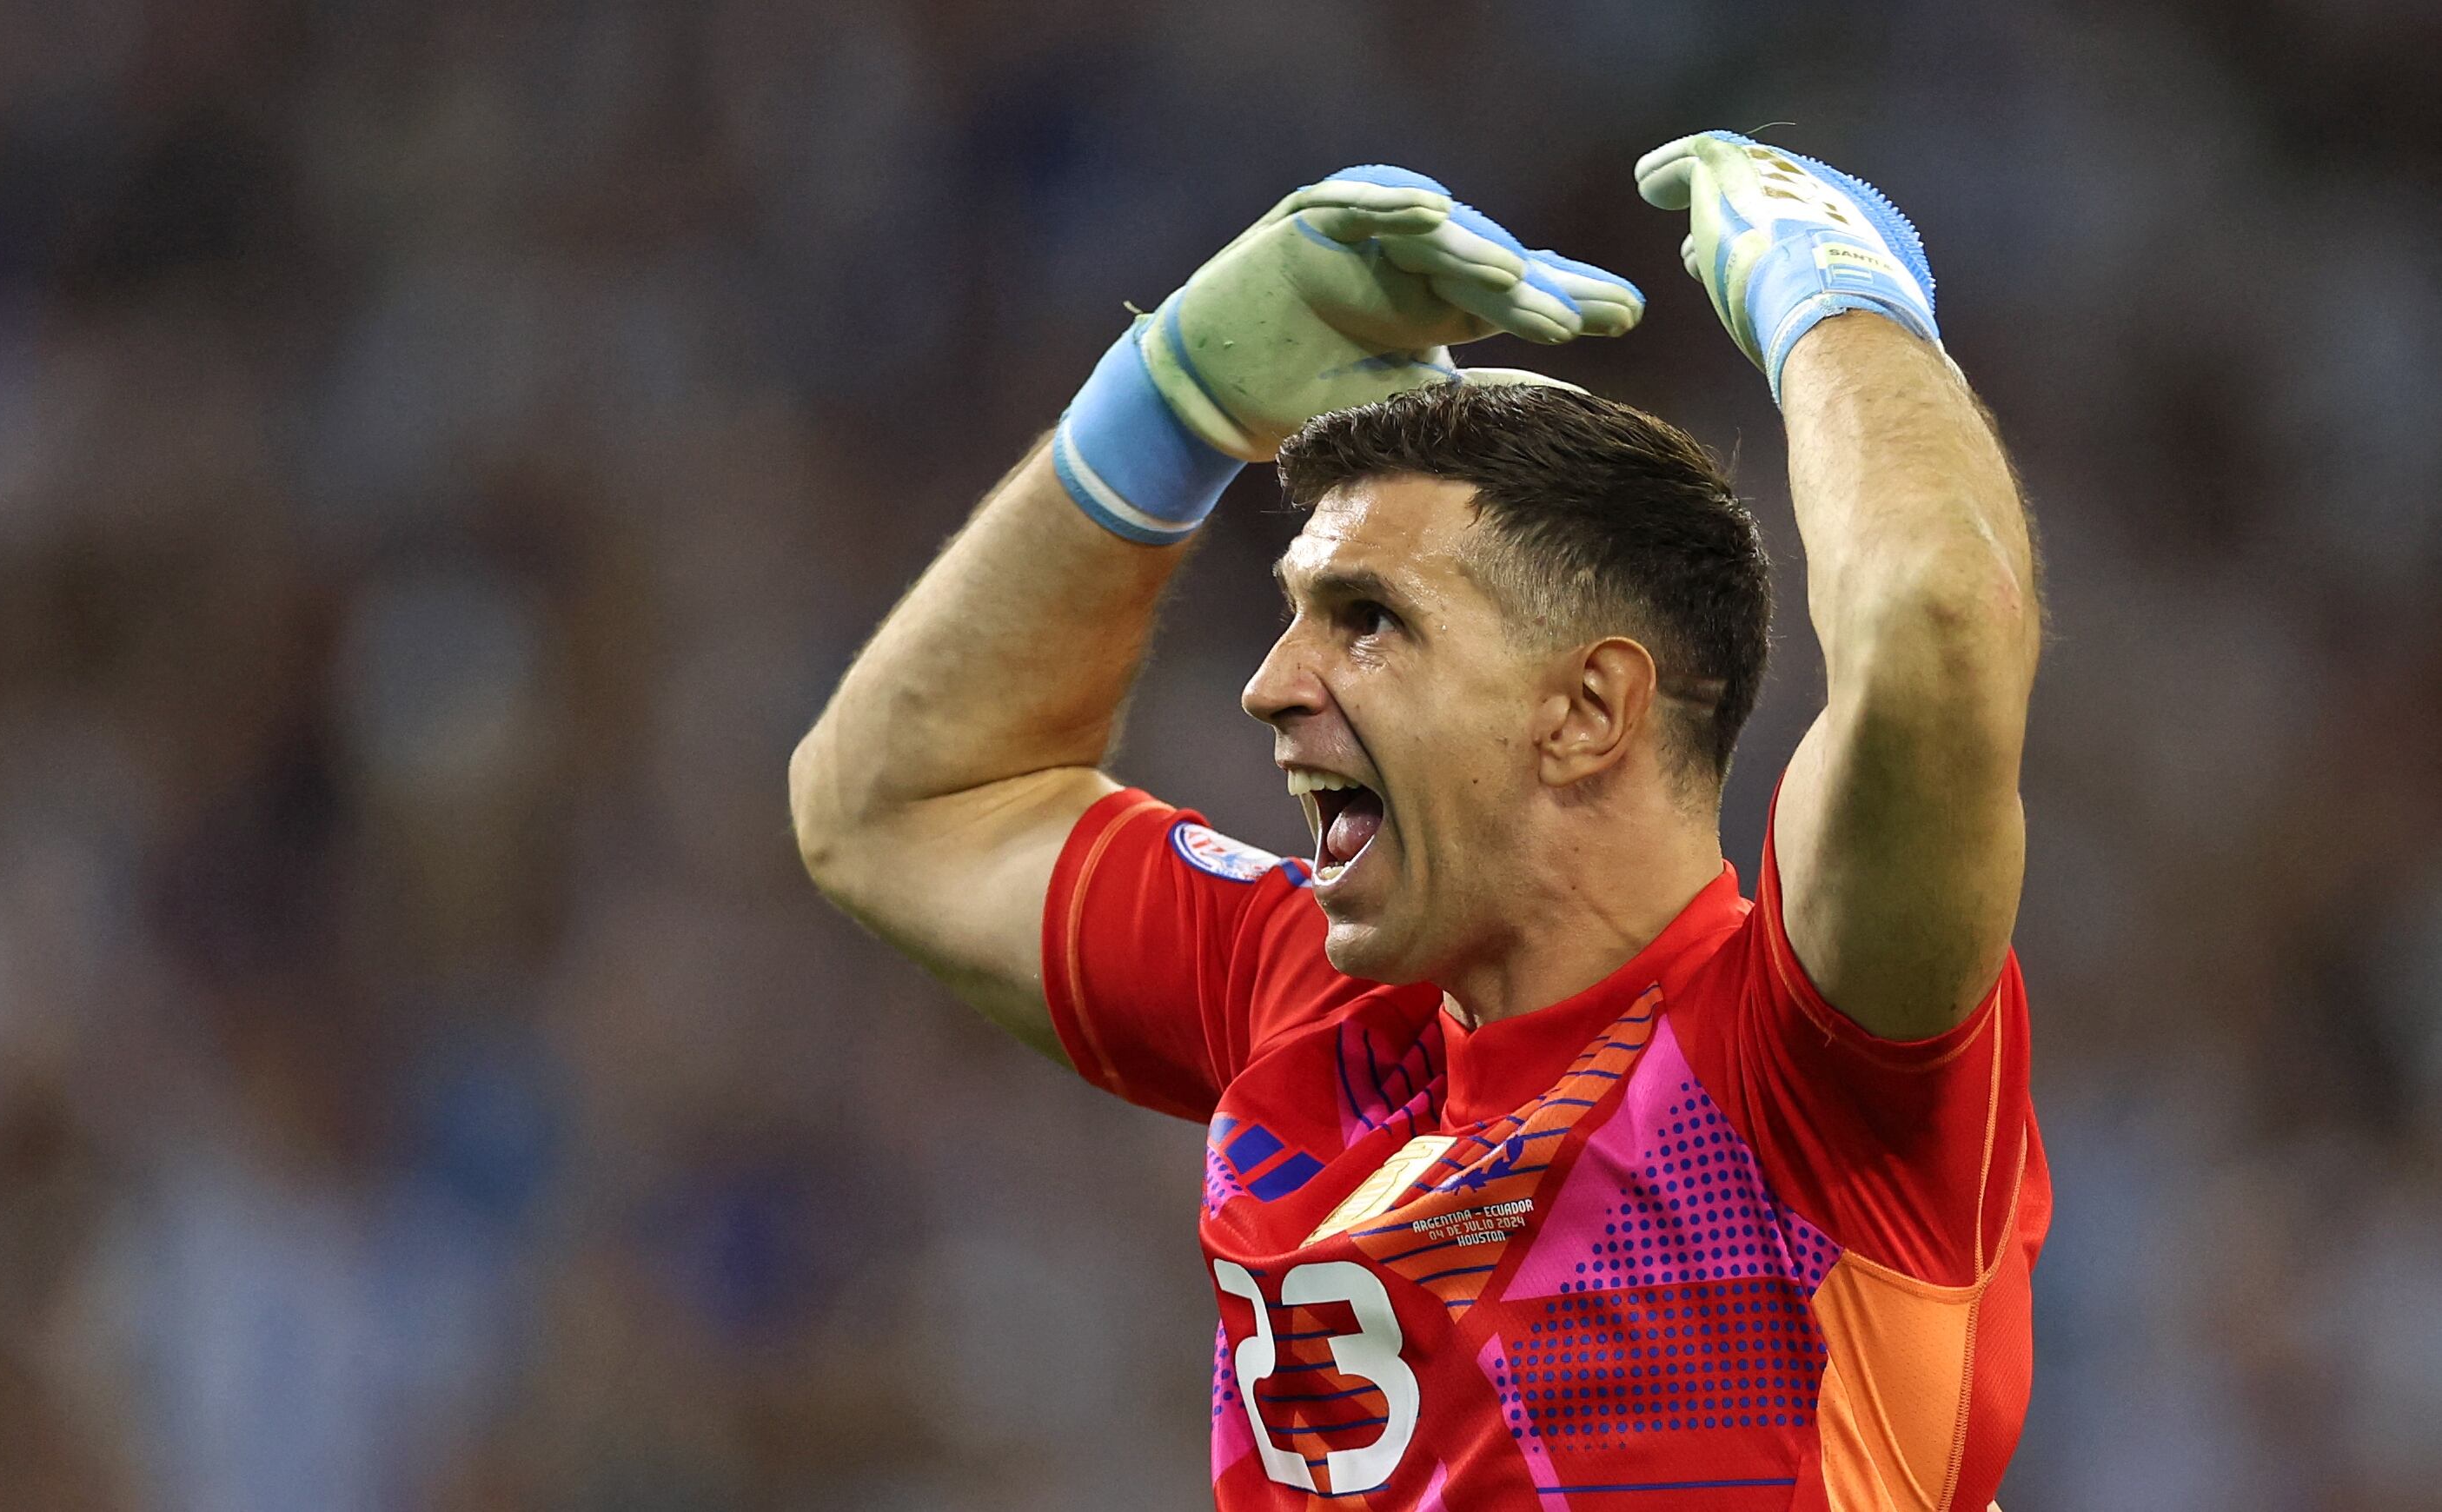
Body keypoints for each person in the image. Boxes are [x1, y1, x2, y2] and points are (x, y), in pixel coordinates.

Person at [791, 134, 2046, 1509]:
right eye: (1294, 613)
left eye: (1367, 621)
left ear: (1585, 711)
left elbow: (1933, 630)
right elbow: (892, 805)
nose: (1269, 687)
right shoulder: (1311, 1009)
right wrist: (1164, 405)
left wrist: (1839, 299)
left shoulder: (1799, 1068)